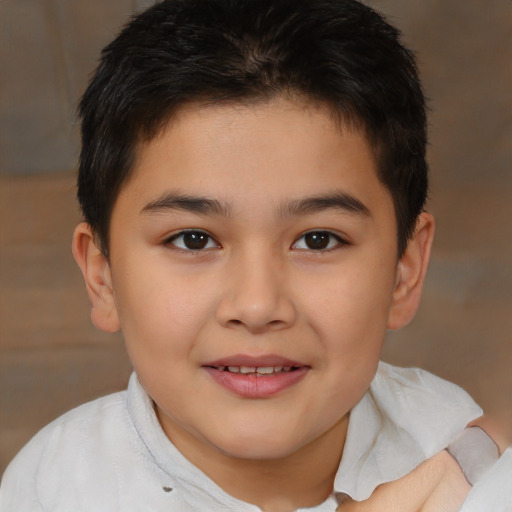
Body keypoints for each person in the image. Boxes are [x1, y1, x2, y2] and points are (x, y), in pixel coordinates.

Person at [1, 0, 510, 510]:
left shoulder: (459, 456)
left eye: (318, 239)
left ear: (405, 269)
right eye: (193, 239)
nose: (258, 305)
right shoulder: (55, 486)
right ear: (102, 274)